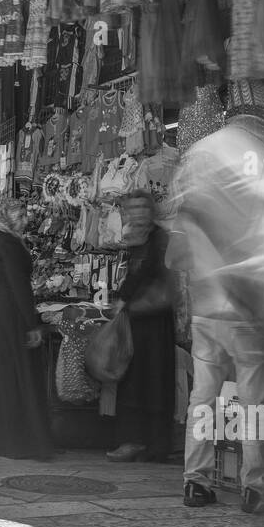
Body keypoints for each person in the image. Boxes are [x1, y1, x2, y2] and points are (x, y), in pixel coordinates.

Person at [169, 114, 264, 512]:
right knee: (255, 399)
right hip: (246, 301)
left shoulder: (195, 158)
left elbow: (178, 247)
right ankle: (257, 488)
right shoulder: (263, 157)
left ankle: (195, 483)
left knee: (203, 398)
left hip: (206, 306)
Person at [0, 198, 54, 460]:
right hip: (9, 315)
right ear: (7, 219)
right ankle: (17, 439)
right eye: (20, 216)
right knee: (15, 374)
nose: (26, 221)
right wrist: (33, 324)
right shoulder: (9, 244)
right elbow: (19, 287)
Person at [106, 189, 175, 462]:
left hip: (154, 321)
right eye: (132, 209)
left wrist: (123, 298)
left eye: (141, 208)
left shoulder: (158, 238)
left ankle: (149, 443)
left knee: (151, 380)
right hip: (139, 321)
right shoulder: (138, 238)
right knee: (136, 379)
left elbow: (145, 272)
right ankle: (138, 441)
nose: (137, 213)